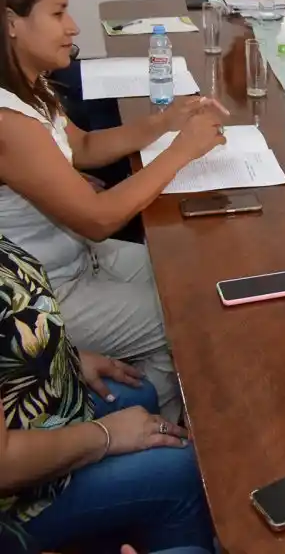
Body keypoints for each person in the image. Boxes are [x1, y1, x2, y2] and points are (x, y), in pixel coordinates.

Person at [0, 0, 228, 422]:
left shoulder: (29, 89)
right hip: (48, 294)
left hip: (77, 258)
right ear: (12, 24)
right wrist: (181, 151)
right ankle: (165, 434)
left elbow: (80, 146)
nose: (74, 26)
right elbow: (99, 218)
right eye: (58, 13)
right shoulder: (8, 122)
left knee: (193, 277)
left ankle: (152, 382)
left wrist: (163, 122)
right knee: (184, 322)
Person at [0, 234, 215, 552]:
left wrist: (61, 355)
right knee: (179, 466)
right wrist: (106, 435)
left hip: (30, 411)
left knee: (139, 392)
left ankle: (136, 527)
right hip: (14, 501)